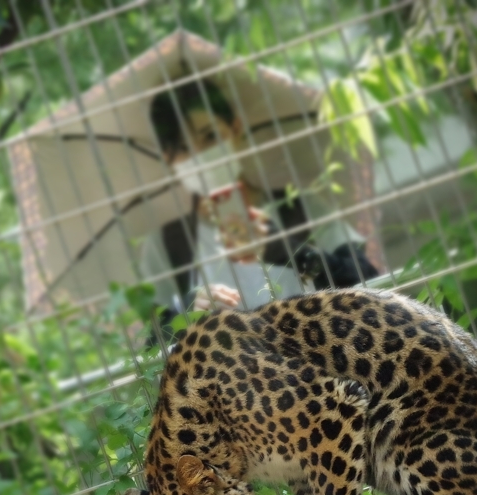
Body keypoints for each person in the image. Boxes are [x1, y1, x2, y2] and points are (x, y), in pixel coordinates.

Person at [140, 78, 379, 332]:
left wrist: (286, 250)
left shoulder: (300, 207)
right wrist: (186, 311)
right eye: (183, 148)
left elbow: (369, 282)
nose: (201, 158)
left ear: (236, 128)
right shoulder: (167, 246)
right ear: (169, 160)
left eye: (210, 136)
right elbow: (153, 351)